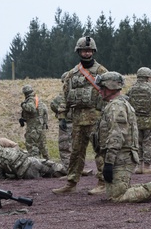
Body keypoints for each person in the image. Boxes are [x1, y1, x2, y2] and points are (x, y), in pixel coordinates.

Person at [94, 72, 151, 203]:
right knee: (114, 192)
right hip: (119, 155)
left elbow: (117, 135)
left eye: (102, 87)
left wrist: (109, 162)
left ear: (110, 87)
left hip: (121, 157)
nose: (99, 91)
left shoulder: (117, 106)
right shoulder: (116, 104)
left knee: (117, 197)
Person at [52, 36, 108, 195]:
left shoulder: (102, 72)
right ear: (79, 51)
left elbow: (110, 94)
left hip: (96, 119)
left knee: (100, 151)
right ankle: (71, 183)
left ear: (93, 51)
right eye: (84, 50)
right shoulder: (72, 74)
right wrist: (62, 116)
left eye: (89, 50)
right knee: (76, 153)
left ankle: (103, 182)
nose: (87, 53)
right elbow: (65, 96)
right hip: (77, 120)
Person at [0, 135, 66, 179]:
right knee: (52, 166)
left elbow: (15, 146)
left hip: (23, 169)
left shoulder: (1, 141)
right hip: (30, 161)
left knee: (47, 174)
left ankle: (71, 173)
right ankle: (72, 172)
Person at [19, 85, 49, 159]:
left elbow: (31, 109)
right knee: (42, 146)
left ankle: (36, 163)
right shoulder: (38, 100)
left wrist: (23, 105)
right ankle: (48, 162)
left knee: (31, 145)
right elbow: (45, 111)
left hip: (33, 127)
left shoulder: (30, 100)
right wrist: (45, 123)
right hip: (40, 126)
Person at [49, 92, 72, 166]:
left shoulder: (63, 95)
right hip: (77, 122)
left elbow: (53, 104)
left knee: (65, 146)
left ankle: (67, 167)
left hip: (66, 122)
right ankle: (75, 167)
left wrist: (60, 115)